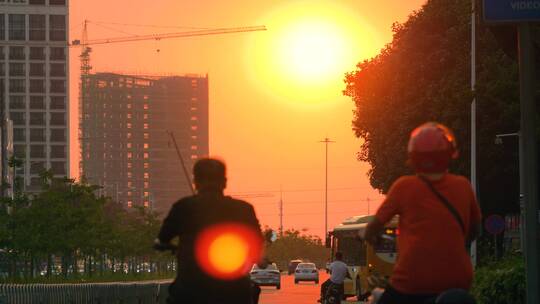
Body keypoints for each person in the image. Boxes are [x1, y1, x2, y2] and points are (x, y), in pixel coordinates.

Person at [364, 122, 482, 304]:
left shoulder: (404, 187)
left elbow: (374, 226)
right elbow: (474, 230)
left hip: (411, 280)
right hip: (458, 279)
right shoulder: (463, 186)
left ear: (413, 157)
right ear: (449, 155)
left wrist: (369, 234)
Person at [156, 158, 263, 304]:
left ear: (196, 182)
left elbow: (163, 237)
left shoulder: (183, 207)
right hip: (234, 291)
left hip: (190, 290)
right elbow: (257, 241)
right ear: (224, 182)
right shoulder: (243, 209)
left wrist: (163, 244)